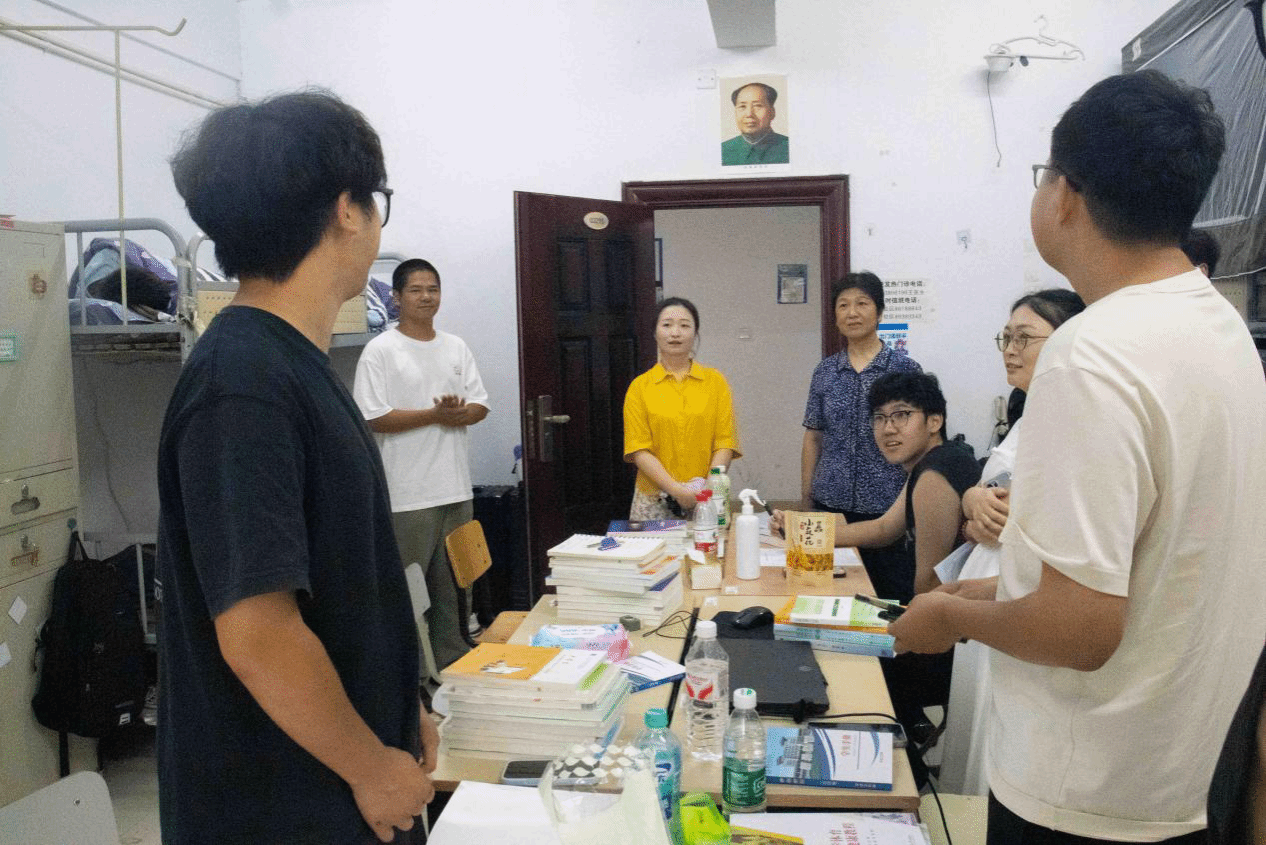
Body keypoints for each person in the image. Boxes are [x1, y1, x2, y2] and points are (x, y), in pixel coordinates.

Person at [890, 70, 1266, 843]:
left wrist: (951, 615)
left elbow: (1082, 627)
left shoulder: (1091, 352)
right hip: (1182, 775)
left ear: (1065, 193)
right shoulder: (1221, 327)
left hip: (1084, 789)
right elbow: (1149, 562)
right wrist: (987, 589)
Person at [158, 90, 439, 845]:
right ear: (348, 210)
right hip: (280, 804)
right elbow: (259, 632)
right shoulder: (241, 383)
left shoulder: (293, 363)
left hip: (338, 772)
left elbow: (342, 577)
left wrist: (398, 706)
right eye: (377, 201)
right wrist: (371, 765)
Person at [774, 371, 979, 787]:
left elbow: (927, 589)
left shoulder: (934, 477)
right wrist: (802, 530)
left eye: (902, 415)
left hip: (947, 644)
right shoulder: (934, 462)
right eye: (880, 418)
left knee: (826, 648)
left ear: (934, 420)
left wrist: (873, 621)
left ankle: (900, 776)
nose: (887, 429)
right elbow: (884, 528)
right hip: (951, 624)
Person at [935, 288, 1085, 797]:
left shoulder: (1080, 416)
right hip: (987, 585)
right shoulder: (1029, 411)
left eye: (1025, 338)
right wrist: (973, 502)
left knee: (1006, 732)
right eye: (1006, 338)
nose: (1010, 350)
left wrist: (997, 512)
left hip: (1025, 593)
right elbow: (993, 495)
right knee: (976, 716)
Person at [353, 258, 490, 674]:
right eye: (415, 290)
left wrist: (459, 414)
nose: (426, 296)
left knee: (457, 586)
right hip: (407, 495)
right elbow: (373, 417)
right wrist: (435, 415)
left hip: (456, 490)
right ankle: (408, 677)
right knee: (407, 591)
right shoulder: (381, 350)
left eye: (433, 289)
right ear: (396, 298)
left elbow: (480, 405)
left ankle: (452, 665)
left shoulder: (455, 346)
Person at [800, 272, 922, 599]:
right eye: (843, 305)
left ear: (879, 312)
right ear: (835, 317)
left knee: (888, 599)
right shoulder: (825, 371)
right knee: (828, 595)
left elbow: (921, 443)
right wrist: (807, 498)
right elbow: (813, 435)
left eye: (862, 304)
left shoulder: (905, 370)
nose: (852, 312)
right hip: (831, 505)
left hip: (887, 509)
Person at [623, 296, 740, 521]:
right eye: (667, 325)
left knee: (709, 545)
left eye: (684, 326)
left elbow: (725, 442)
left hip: (707, 494)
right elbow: (639, 449)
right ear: (655, 333)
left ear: (695, 334)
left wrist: (707, 487)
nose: (675, 333)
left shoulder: (715, 382)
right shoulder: (640, 387)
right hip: (654, 498)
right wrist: (677, 491)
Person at [720, 82, 790, 166]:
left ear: (772, 112)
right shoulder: (722, 151)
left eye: (757, 106)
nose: (749, 114)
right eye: (742, 106)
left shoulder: (790, 148)